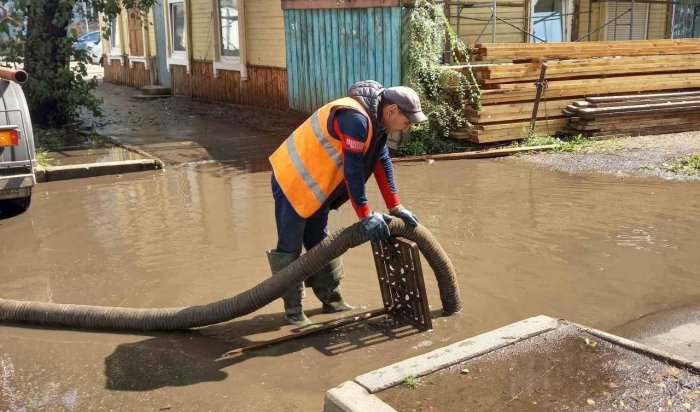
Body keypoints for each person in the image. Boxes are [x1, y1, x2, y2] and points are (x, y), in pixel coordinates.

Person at [267, 80, 427, 326]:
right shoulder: (355, 119)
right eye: (406, 122)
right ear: (393, 110)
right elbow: (353, 170)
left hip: (318, 184)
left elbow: (380, 160)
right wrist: (365, 215)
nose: (406, 128)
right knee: (290, 246)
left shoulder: (377, 123)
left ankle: (332, 301)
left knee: (321, 242)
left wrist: (396, 207)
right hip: (293, 179)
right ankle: (294, 312)